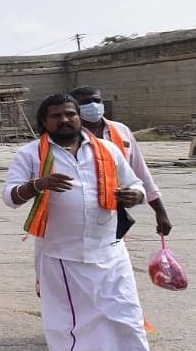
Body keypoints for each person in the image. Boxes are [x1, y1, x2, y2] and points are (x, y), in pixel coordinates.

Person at [3, 94, 187, 351]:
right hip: (60, 255)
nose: (65, 120)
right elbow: (10, 197)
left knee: (128, 324)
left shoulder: (108, 149)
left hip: (109, 253)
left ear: (78, 118)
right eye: (56, 116)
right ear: (44, 122)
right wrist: (37, 185)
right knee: (66, 327)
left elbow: (134, 183)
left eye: (70, 114)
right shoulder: (31, 154)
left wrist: (132, 195)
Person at [68, 86, 172, 237]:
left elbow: (141, 172)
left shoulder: (121, 130)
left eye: (97, 100)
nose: (93, 105)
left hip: (117, 212)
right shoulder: (68, 136)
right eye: (85, 102)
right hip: (79, 215)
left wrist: (160, 212)